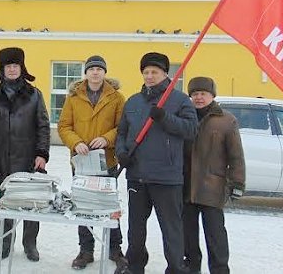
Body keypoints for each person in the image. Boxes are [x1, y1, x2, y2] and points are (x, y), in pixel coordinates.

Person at [115, 52, 198, 274]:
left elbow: (191, 130)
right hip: (137, 175)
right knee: (136, 229)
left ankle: (176, 267)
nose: (149, 76)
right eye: (146, 72)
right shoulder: (133, 101)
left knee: (171, 229)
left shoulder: (180, 101)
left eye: (154, 72)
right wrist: (122, 153)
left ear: (165, 73)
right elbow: (122, 133)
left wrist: (165, 118)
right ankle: (134, 266)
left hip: (167, 177)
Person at [0, 47, 50, 262]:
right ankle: (6, 242)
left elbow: (43, 126)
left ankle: (30, 244)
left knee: (32, 204)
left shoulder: (34, 95)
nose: (11, 69)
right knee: (5, 203)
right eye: (7, 66)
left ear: (22, 68)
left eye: (15, 66)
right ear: (2, 69)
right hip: (1, 161)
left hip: (29, 159)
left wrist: (42, 153)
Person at [57, 55, 127, 270]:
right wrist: (76, 142)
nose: (95, 72)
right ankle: (85, 251)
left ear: (105, 73)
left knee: (109, 205)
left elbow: (122, 127)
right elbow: (64, 126)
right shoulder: (73, 97)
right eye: (91, 69)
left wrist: (107, 138)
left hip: (106, 161)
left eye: (99, 69)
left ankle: (115, 249)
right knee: (84, 206)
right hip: (81, 162)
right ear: (86, 73)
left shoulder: (116, 98)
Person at [183, 77, 245, 274]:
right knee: (188, 236)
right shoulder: (185, 117)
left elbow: (236, 155)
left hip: (213, 186)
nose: (199, 97)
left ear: (212, 95)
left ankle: (219, 269)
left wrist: (237, 183)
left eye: (203, 93)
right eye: (195, 94)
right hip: (186, 187)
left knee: (215, 235)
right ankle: (192, 268)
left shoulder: (226, 120)